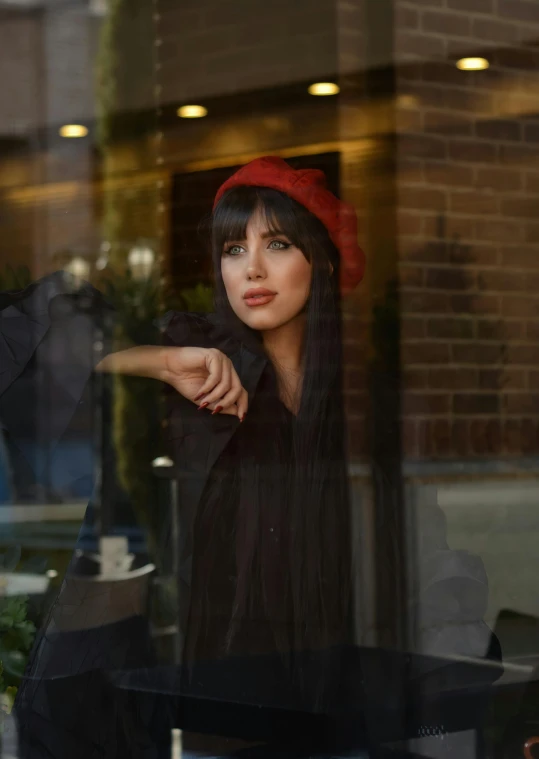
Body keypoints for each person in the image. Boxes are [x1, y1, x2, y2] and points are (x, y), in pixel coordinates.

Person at [1, 157, 498, 758]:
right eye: (233, 249)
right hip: (189, 712)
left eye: (278, 244)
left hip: (329, 707)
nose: (251, 269)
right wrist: (158, 361)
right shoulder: (197, 367)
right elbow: (31, 337)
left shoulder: (362, 402)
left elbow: (415, 552)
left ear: (325, 259)